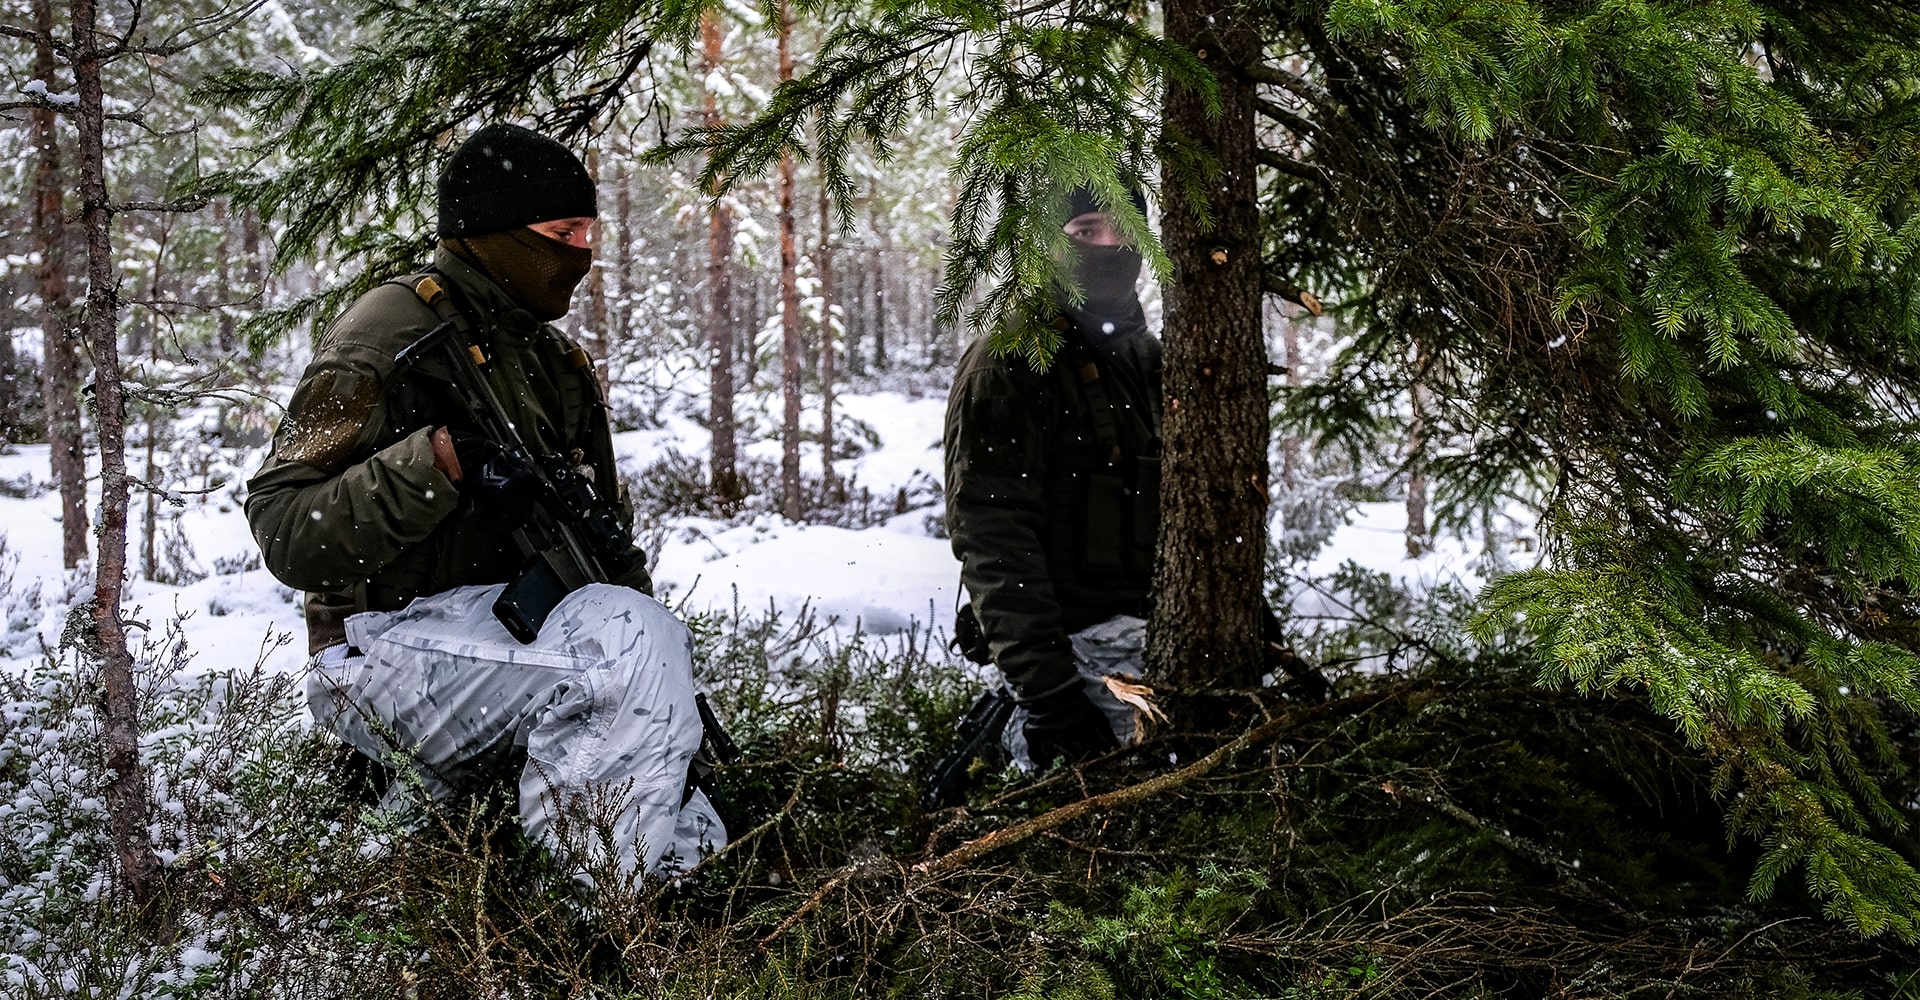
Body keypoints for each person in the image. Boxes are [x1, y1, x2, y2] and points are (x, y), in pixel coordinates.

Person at [246, 123, 723, 878]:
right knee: (624, 655)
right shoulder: (391, 330)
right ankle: (585, 926)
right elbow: (284, 528)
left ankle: (648, 927)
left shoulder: (554, 361)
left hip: (502, 644)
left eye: (589, 230)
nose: (583, 251)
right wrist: (438, 464)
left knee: (691, 834)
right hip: (377, 649)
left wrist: (672, 704)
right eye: (564, 231)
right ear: (497, 233)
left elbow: (605, 550)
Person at [943, 185, 1166, 769]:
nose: (1110, 246)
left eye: (1122, 229)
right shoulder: (1010, 359)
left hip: (1159, 646)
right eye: (1088, 231)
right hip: (1075, 658)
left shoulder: (1149, 358)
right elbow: (994, 539)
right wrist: (1050, 696)